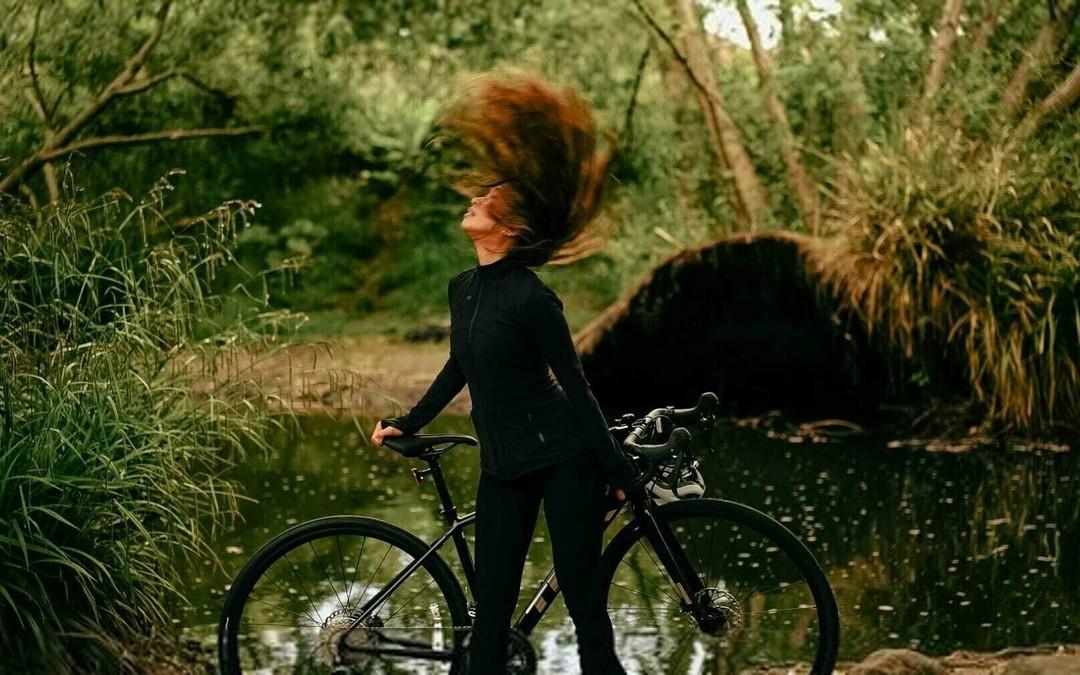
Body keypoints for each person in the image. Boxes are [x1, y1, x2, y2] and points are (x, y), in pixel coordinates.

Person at [370, 70, 636, 675]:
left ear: (510, 229)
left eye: (488, 199)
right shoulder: (462, 288)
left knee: (584, 600)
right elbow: (460, 364)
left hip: (564, 458)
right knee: (490, 610)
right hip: (502, 465)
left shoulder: (534, 299)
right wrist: (409, 420)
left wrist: (616, 468)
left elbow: (576, 386)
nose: (476, 199)